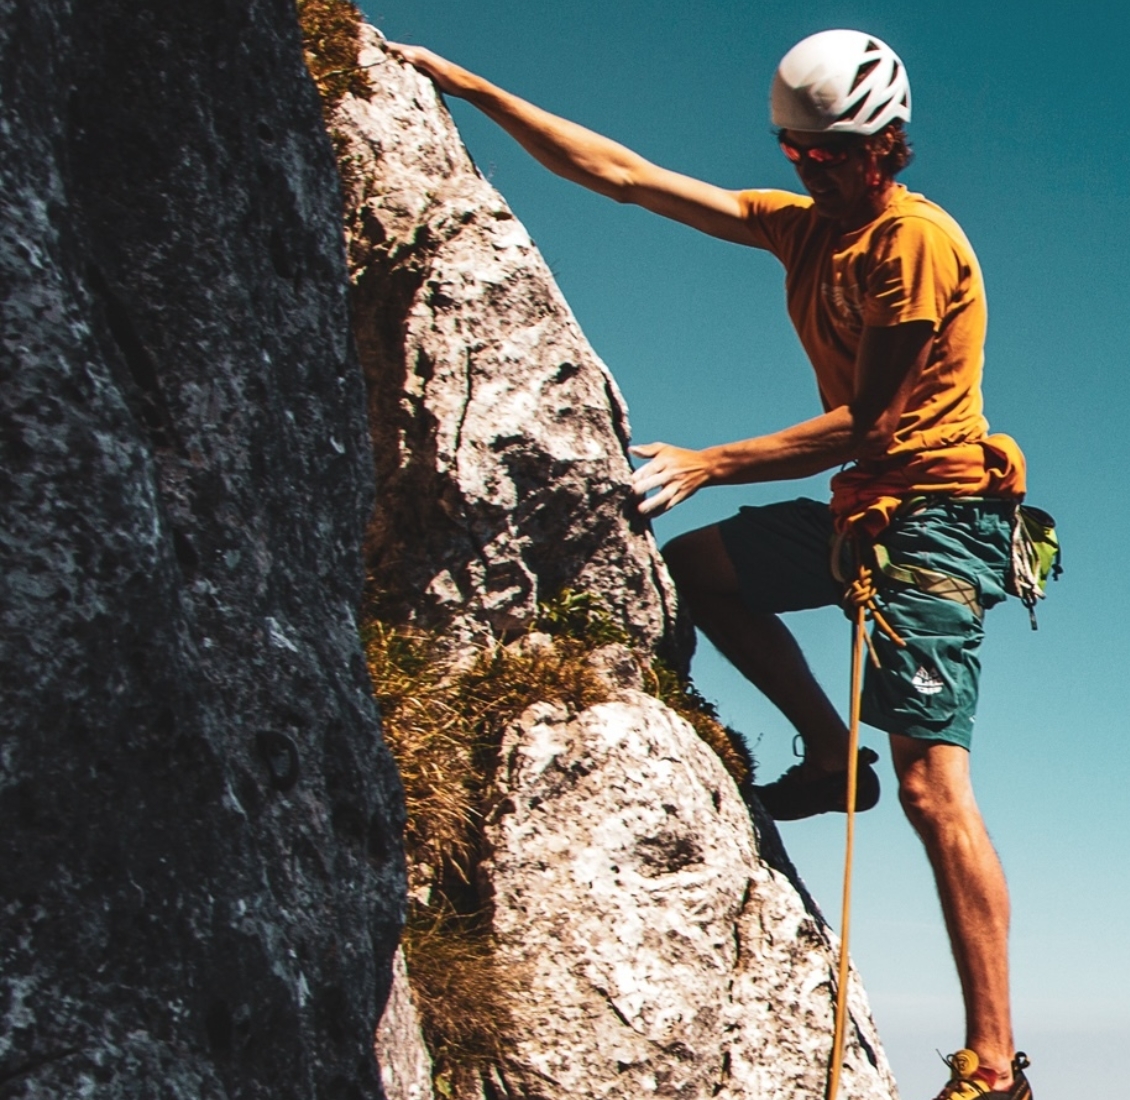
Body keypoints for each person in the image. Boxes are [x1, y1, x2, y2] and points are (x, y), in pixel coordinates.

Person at [390, 30, 1032, 1100]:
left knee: (932, 783)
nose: (809, 170)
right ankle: (831, 755)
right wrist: (467, 84)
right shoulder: (801, 230)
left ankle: (995, 1062)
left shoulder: (911, 244)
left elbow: (871, 420)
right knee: (700, 569)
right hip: (862, 508)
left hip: (936, 519)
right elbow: (629, 178)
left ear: (885, 147)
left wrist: (714, 460)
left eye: (831, 155)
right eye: (796, 151)